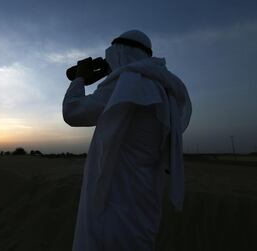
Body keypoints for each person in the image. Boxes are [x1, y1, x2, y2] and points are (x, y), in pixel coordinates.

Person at [62, 30, 191, 251]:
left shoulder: (127, 84)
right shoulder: (164, 88)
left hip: (113, 206)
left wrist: (80, 78)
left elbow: (72, 112)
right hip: (144, 204)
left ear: (120, 53)